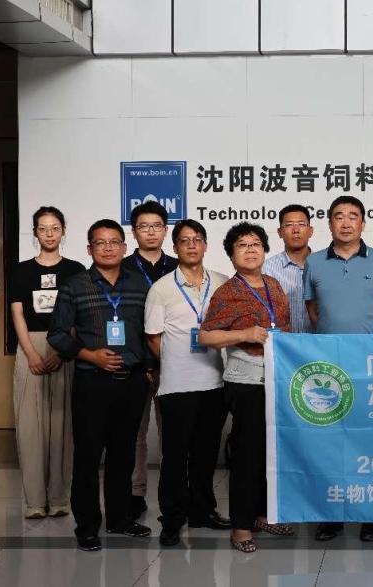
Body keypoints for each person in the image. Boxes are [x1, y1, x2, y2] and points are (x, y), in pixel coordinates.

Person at [47, 219, 153, 551]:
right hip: (91, 382)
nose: (108, 248)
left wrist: (148, 368)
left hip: (131, 383)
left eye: (114, 242)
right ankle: (87, 525)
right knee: (88, 456)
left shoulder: (140, 285)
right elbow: (57, 335)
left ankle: (119, 518)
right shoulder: (74, 286)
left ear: (124, 247)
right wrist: (90, 356)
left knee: (124, 455)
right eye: (100, 243)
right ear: (89, 248)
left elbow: (149, 333)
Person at [199, 222, 294, 553]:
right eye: (242, 245)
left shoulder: (274, 286)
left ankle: (263, 515)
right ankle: (241, 526)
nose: (250, 250)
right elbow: (206, 336)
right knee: (247, 455)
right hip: (246, 382)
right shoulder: (228, 292)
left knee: (271, 454)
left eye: (256, 244)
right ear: (231, 254)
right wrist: (244, 334)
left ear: (265, 250)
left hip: (277, 380)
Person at [304, 196, 373, 542]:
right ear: (329, 223)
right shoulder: (314, 262)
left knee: (369, 442)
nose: (345, 223)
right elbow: (313, 310)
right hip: (328, 367)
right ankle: (333, 514)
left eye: (352, 216)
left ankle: (371, 514)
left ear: (363, 223)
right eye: (338, 216)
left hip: (369, 364)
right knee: (331, 443)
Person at [144, 219, 231, 547]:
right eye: (185, 240)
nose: (192, 245)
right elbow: (153, 337)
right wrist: (175, 363)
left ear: (205, 245)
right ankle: (172, 518)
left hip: (215, 382)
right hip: (177, 387)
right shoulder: (161, 288)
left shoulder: (222, 283)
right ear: (175, 247)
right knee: (175, 457)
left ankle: (203, 511)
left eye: (197, 239)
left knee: (206, 454)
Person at [9, 206, 85, 519]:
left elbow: (79, 316)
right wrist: (31, 353)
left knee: (63, 425)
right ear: (35, 233)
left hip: (65, 345)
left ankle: (59, 498)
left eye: (55, 228)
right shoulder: (21, 271)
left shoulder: (76, 270)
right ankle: (35, 502)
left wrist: (61, 351)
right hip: (30, 345)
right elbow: (17, 314)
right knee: (30, 426)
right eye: (43, 228)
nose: (49, 234)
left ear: (63, 230)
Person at [125, 201, 179, 519]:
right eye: (144, 226)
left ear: (165, 230)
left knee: (173, 434)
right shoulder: (122, 267)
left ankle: (173, 495)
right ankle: (135, 493)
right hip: (134, 363)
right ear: (134, 232)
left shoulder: (178, 266)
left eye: (157, 226)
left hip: (171, 362)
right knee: (135, 434)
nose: (151, 232)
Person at [262, 204, 314, 334]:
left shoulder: (323, 266)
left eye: (301, 224)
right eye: (289, 225)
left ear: (311, 231)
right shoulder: (266, 269)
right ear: (280, 232)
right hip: (281, 343)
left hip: (317, 343)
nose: (295, 230)